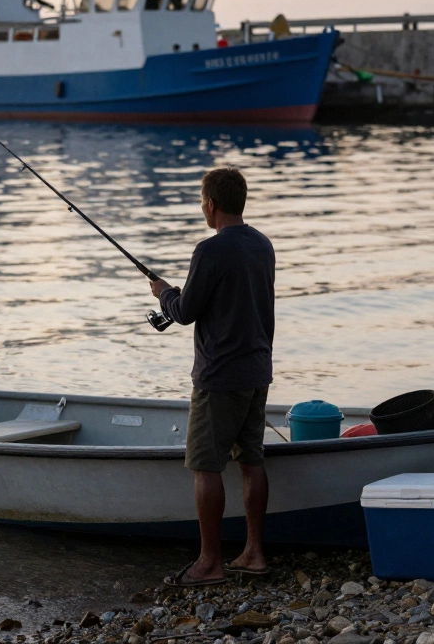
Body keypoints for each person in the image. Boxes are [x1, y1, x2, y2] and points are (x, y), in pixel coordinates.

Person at [149, 166, 276, 587]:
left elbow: (184, 312)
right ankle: (254, 554)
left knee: (206, 467)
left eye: (203, 202)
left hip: (219, 377)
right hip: (257, 371)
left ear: (211, 204)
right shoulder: (263, 245)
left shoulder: (210, 250)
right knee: (252, 460)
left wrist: (164, 292)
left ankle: (210, 562)